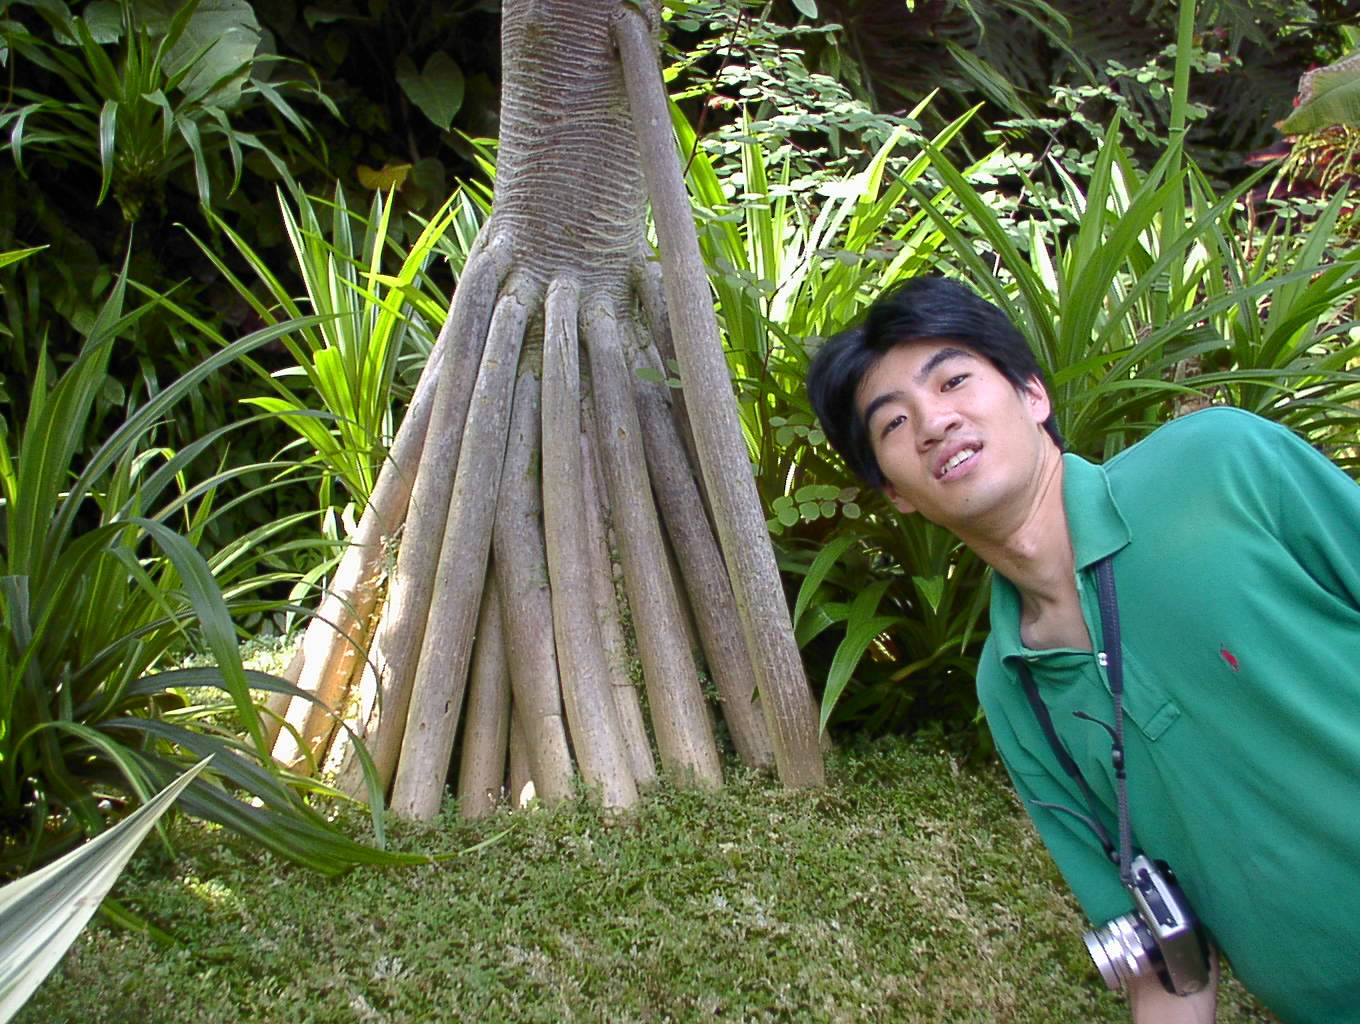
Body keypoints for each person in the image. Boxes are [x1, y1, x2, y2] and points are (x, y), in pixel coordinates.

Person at [806, 274, 1360, 1024]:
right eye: (893, 423)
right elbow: (1163, 958)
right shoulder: (1012, 689)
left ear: (1033, 394)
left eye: (954, 380)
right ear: (896, 493)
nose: (933, 422)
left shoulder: (1219, 466)